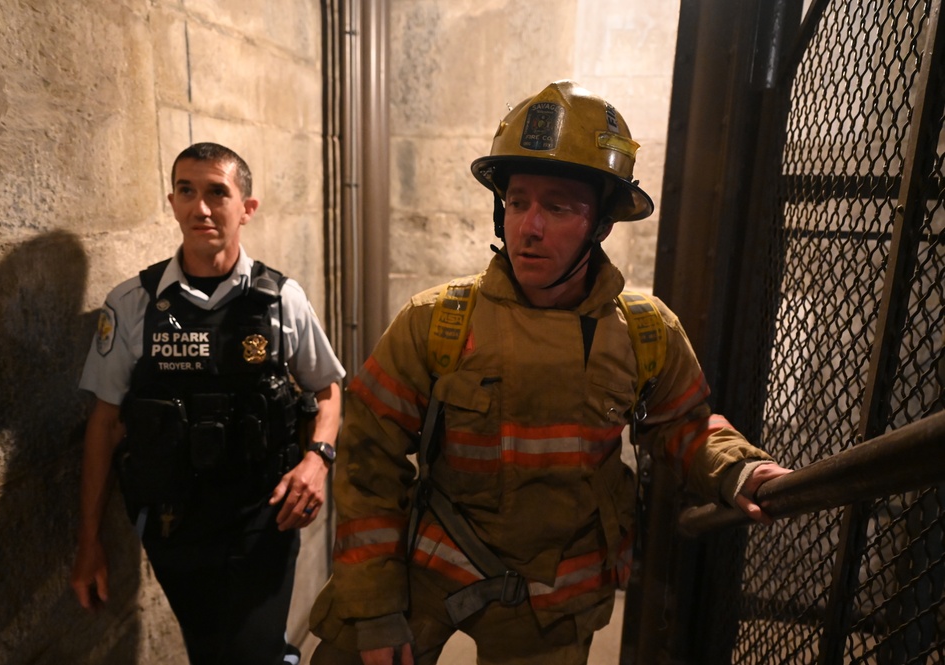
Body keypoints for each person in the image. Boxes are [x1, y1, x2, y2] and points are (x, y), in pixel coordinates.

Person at [307, 81, 790, 665]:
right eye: (516, 202)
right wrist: (375, 609)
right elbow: (366, 461)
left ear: (601, 224)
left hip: (557, 594)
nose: (529, 227)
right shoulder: (436, 321)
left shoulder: (644, 330)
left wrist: (740, 469)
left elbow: (682, 425)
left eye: (558, 207)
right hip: (432, 563)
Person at [70, 142, 346, 665]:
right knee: (211, 651)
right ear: (172, 202)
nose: (201, 207)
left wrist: (318, 460)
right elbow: (104, 425)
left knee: (251, 650)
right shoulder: (132, 305)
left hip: (263, 513)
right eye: (186, 191)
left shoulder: (281, 299)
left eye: (218, 192)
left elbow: (328, 389)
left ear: (246, 208)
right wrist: (89, 541)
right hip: (175, 522)